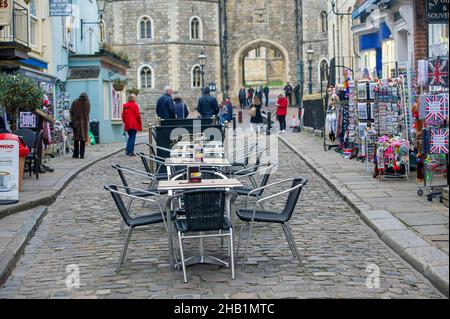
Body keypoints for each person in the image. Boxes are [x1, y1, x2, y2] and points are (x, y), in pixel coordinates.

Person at [70, 92, 90, 159]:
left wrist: (73, 118)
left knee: (76, 139)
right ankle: (82, 155)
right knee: (83, 140)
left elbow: (71, 111)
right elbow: (88, 113)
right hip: (84, 124)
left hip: (76, 123)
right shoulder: (87, 103)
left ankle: (75, 154)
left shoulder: (75, 102)